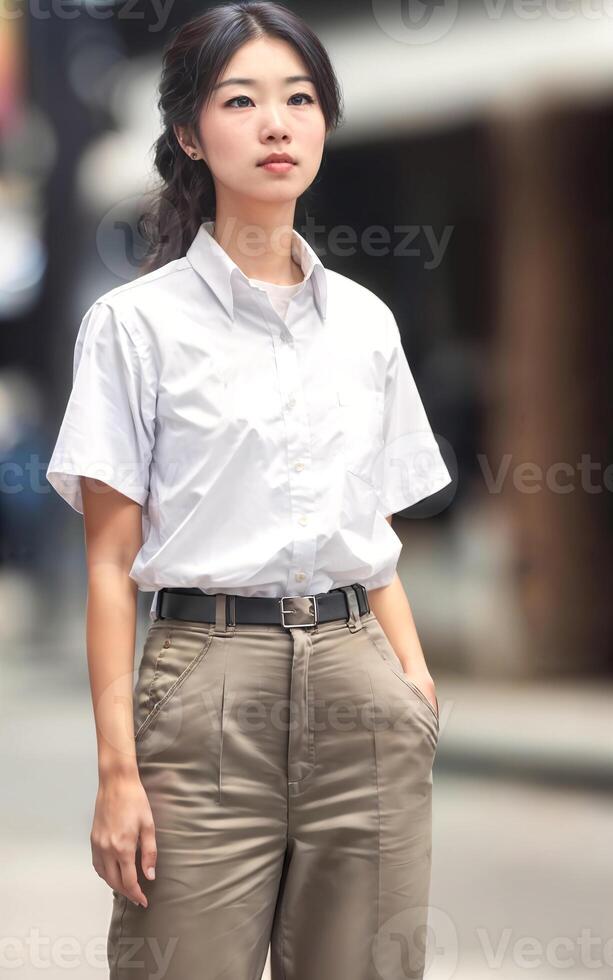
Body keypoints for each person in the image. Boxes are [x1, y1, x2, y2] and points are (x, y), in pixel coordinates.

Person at [46, 3, 453, 978]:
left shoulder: (365, 325)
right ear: (190, 132)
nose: (276, 123)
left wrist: (412, 685)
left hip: (364, 675)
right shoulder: (132, 326)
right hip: (204, 684)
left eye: (299, 99)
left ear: (322, 121)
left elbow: (377, 534)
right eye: (242, 99)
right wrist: (116, 772)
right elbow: (108, 560)